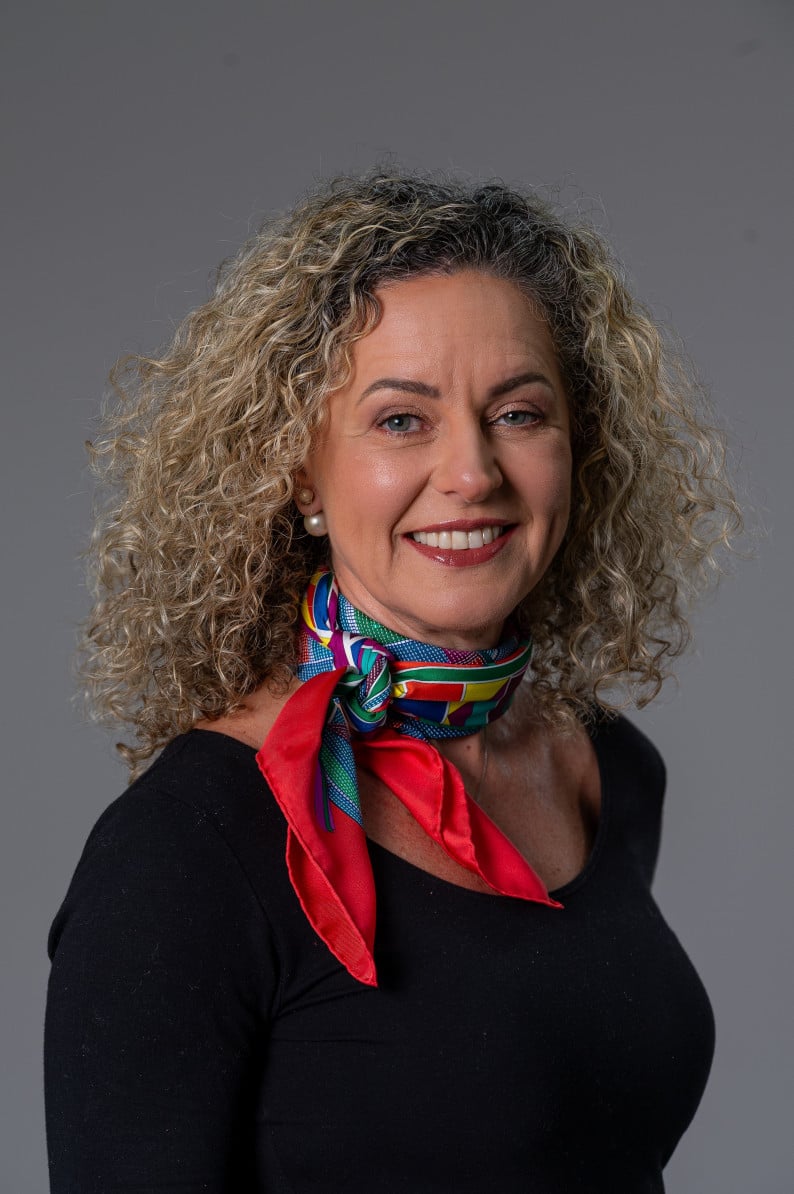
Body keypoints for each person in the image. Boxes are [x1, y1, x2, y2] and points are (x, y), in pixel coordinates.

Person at [44, 170, 741, 1193]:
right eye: (402, 420)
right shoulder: (186, 848)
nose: (473, 473)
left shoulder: (606, 769)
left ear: (576, 448)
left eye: (517, 413)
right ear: (297, 471)